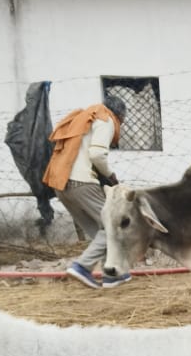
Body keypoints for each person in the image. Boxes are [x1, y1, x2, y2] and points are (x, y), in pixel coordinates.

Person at [42, 93, 130, 290]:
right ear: (119, 116)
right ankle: (82, 267)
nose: (120, 127)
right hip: (81, 183)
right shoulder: (105, 118)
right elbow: (97, 154)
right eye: (122, 122)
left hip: (62, 185)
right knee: (114, 225)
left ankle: (111, 275)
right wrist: (110, 175)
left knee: (100, 230)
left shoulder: (84, 119)